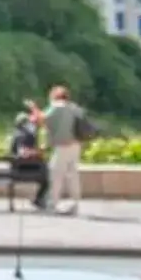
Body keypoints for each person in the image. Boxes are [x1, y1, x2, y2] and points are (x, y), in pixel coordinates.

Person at [40, 82, 87, 216]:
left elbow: (43, 120)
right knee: (73, 175)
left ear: (54, 96)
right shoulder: (75, 108)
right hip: (75, 145)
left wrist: (35, 110)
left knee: (56, 174)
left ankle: (53, 203)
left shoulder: (56, 107)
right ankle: (75, 203)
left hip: (62, 146)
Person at [7, 101, 49, 210]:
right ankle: (39, 199)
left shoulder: (16, 134)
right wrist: (39, 152)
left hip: (16, 168)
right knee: (46, 173)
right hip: (25, 169)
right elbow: (23, 153)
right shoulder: (25, 135)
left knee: (45, 168)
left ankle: (40, 199)